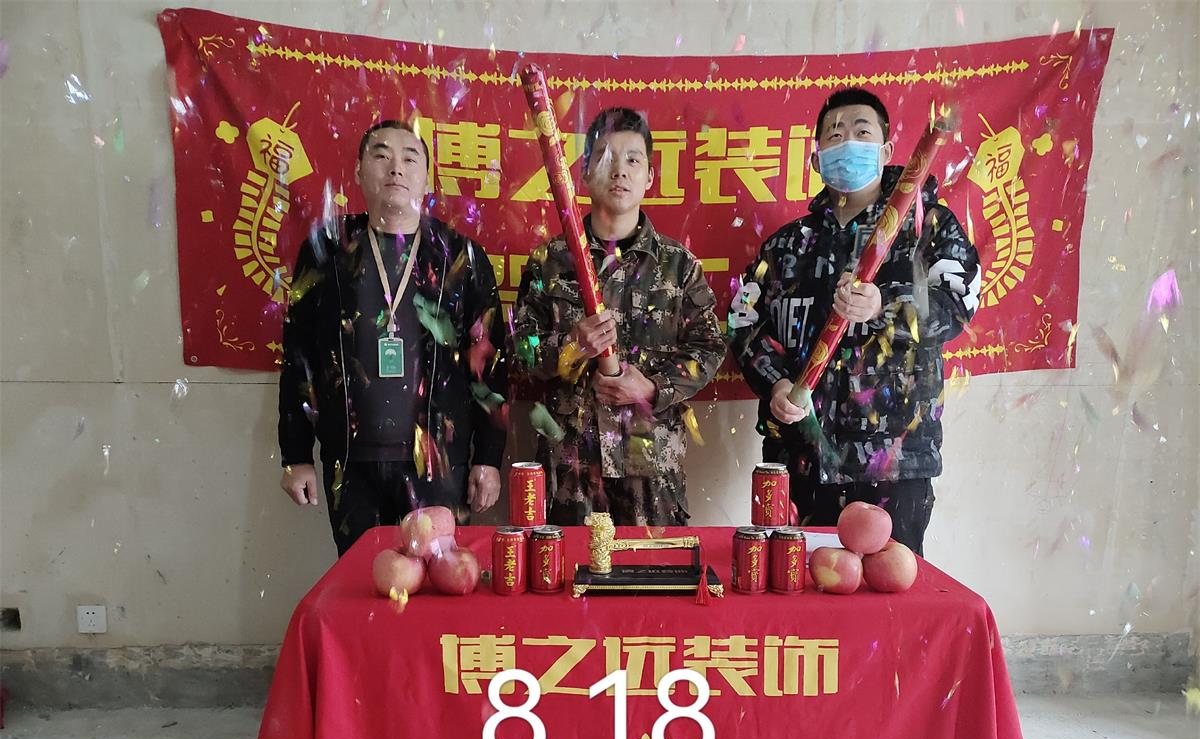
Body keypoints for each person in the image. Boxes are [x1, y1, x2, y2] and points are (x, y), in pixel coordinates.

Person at [731, 88, 980, 555]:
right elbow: (743, 323)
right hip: (800, 461)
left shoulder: (928, 228)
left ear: (886, 150)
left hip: (893, 466)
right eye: (835, 134)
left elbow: (958, 304)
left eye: (862, 132)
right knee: (798, 592)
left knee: (889, 592)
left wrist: (885, 304)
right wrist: (775, 384)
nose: (847, 142)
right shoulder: (786, 246)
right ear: (816, 158)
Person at [278, 120, 507, 555]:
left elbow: (488, 363)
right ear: (359, 171)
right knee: (361, 578)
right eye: (381, 155)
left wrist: (488, 458)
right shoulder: (327, 249)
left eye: (410, 158)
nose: (396, 168)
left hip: (439, 461)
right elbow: (299, 355)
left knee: (438, 580)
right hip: (351, 460)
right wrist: (296, 454)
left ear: (427, 177)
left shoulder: (460, 256)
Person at [513, 107, 725, 526]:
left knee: (652, 567)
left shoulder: (678, 266)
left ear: (649, 177)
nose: (620, 171)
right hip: (571, 468)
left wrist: (652, 387)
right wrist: (570, 347)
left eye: (633, 159)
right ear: (585, 173)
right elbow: (519, 350)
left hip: (651, 467)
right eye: (606, 158)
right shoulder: (550, 262)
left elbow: (709, 348)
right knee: (570, 568)